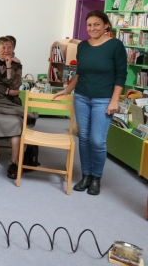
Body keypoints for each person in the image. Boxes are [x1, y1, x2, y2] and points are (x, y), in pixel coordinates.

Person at [54, 10, 126, 195]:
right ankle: (86, 175)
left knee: (97, 140)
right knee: (84, 138)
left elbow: (121, 75)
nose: (92, 28)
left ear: (106, 25)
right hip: (82, 97)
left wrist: (114, 100)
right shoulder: (83, 46)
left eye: (96, 24)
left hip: (103, 100)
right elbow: (80, 72)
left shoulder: (115, 46)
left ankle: (96, 178)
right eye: (89, 25)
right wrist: (67, 89)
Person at [0, 36, 35, 179]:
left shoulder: (17, 66)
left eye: (9, 47)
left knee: (17, 122)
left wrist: (9, 67)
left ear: (13, 50)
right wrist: (4, 89)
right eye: (3, 47)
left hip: (11, 102)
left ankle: (14, 161)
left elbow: (15, 87)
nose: (6, 50)